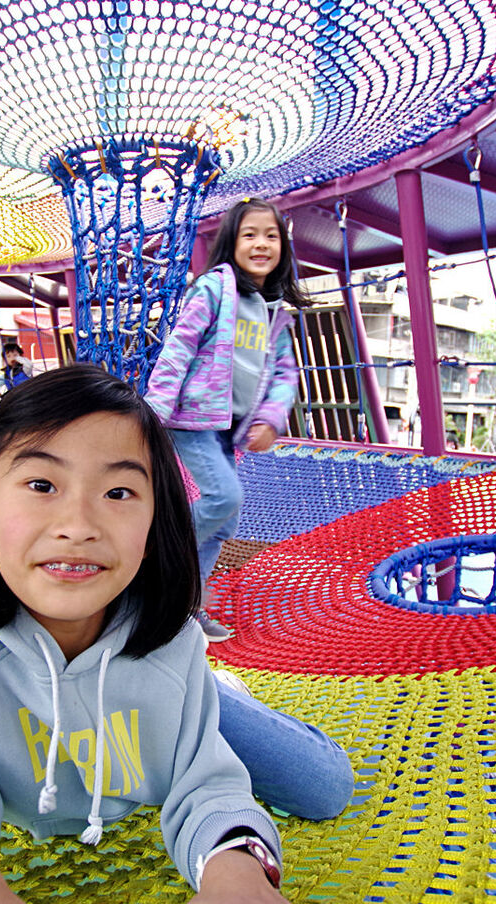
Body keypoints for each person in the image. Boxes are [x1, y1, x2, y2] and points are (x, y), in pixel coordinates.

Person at [0, 365, 351, 904]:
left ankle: (220, 696)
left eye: (118, 491)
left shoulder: (171, 638)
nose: (78, 525)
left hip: (159, 696)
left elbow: (209, 789)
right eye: (42, 485)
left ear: (154, 521)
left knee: (322, 786)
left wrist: (238, 882)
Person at [144, 197, 310, 643]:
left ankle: (187, 608)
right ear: (232, 243)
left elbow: (283, 373)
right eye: (249, 234)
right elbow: (180, 344)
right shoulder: (214, 289)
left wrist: (272, 420)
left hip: (227, 429)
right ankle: (154, 560)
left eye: (271, 236)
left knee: (223, 522)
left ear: (283, 247)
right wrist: (156, 406)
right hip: (192, 418)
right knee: (224, 498)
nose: (261, 244)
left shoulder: (275, 311)